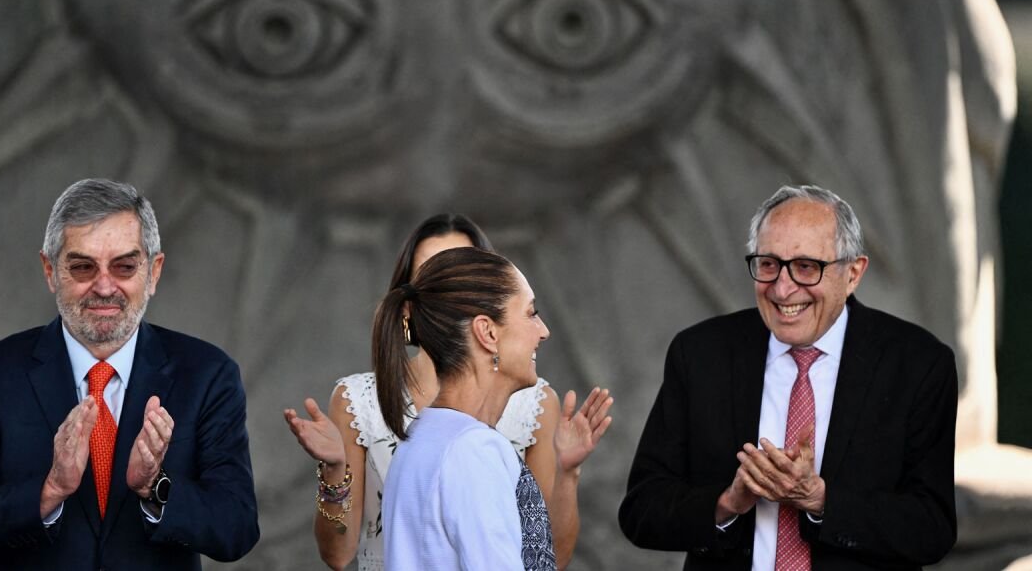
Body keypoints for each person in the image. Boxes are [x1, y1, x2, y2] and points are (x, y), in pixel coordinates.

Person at [619, 185, 957, 570]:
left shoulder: (917, 365)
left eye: (806, 267)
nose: (782, 288)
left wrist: (820, 501)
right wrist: (727, 503)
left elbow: (932, 528)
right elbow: (642, 510)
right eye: (768, 264)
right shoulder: (700, 355)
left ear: (853, 273)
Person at [0, 178, 259, 570]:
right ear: (50, 271)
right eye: (83, 267)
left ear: (154, 272)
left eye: (124, 266)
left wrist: (154, 487)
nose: (104, 287)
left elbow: (236, 529)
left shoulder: (208, 375)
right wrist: (49, 490)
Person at [284, 214, 610, 570]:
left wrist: (567, 473)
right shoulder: (472, 446)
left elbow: (542, 556)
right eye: (530, 314)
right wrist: (336, 472)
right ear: (487, 330)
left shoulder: (424, 430)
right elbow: (338, 553)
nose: (544, 331)